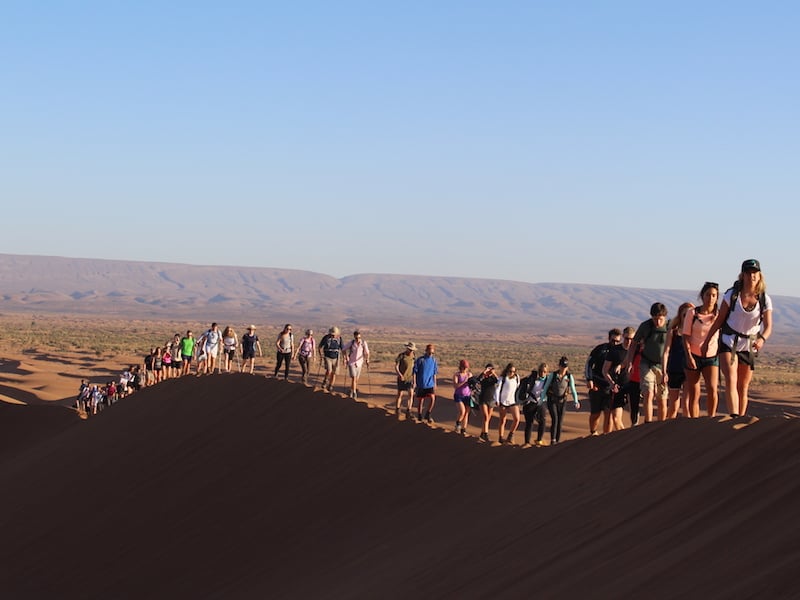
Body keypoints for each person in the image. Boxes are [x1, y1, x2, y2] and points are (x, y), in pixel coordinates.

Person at [702, 259, 773, 417]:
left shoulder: (764, 299)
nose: (751, 276)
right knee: (731, 379)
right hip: (729, 341)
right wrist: (707, 341)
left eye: (754, 273)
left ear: (759, 275)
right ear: (742, 275)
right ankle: (734, 416)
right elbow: (719, 320)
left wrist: (762, 339)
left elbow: (768, 326)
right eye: (748, 273)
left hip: (749, 345)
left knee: (743, 386)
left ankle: (741, 419)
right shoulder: (732, 295)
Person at [623, 303, 669, 422]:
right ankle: (648, 423)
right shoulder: (645, 326)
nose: (657, 322)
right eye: (655, 319)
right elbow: (633, 344)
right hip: (646, 363)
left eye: (660, 319)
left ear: (665, 316)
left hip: (662, 365)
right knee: (648, 392)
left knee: (661, 397)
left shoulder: (670, 327)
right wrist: (629, 362)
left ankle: (660, 424)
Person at [682, 282, 720, 417]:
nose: (710, 298)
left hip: (711, 356)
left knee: (712, 389)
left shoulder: (719, 315)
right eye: (708, 294)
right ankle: (694, 420)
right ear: (702, 296)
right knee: (694, 391)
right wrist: (689, 357)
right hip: (693, 355)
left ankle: (711, 417)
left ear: (717, 297)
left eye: (714, 295)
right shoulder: (692, 313)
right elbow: (685, 336)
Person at [585, 329, 621, 435]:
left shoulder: (620, 351)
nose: (615, 343)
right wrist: (589, 379)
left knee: (608, 413)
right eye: (613, 340)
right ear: (609, 338)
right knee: (595, 413)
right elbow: (589, 364)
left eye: (617, 341)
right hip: (597, 385)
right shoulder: (600, 349)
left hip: (610, 387)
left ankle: (606, 436)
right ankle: (593, 432)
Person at [662, 302, 694, 419]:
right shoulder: (673, 331)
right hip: (674, 369)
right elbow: (666, 352)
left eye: (690, 314)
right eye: (684, 314)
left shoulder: (694, 331)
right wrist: (664, 371)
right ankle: (668, 430)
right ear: (680, 315)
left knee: (687, 404)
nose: (687, 317)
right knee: (674, 406)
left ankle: (687, 433)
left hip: (688, 369)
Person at [541, 356, 580, 445]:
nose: (563, 368)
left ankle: (557, 441)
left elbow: (573, 390)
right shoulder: (553, 375)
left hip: (563, 401)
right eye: (562, 366)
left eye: (565, 366)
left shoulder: (569, 376)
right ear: (559, 366)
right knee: (555, 419)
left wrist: (576, 401)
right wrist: (542, 399)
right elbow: (546, 387)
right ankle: (553, 440)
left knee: (560, 421)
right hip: (552, 400)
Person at [602, 332, 631, 432]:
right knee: (615, 418)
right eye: (627, 338)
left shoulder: (637, 350)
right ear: (623, 337)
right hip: (618, 387)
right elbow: (605, 370)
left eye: (632, 339)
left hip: (633, 387)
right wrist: (612, 383)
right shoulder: (615, 351)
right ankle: (625, 438)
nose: (629, 341)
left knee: (634, 418)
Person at [520, 363, 548, 447]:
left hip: (541, 402)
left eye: (544, 371)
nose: (542, 373)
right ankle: (527, 442)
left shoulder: (548, 380)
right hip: (530, 402)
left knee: (542, 421)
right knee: (529, 422)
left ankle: (539, 440)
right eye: (541, 371)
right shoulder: (532, 379)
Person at [620, 327, 643, 426]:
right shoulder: (634, 349)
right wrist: (619, 366)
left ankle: (649, 423)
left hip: (645, 380)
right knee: (634, 404)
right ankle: (635, 424)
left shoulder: (649, 350)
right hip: (634, 380)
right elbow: (626, 361)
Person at [495, 363, 521, 445]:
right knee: (503, 420)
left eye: (513, 371)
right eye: (510, 371)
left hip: (513, 401)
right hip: (503, 402)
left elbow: (518, 388)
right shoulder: (502, 379)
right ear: (507, 370)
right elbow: (497, 390)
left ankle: (511, 435)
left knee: (517, 419)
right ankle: (501, 437)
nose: (512, 373)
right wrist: (497, 400)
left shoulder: (517, 378)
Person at [413, 344, 438, 423]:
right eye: (430, 352)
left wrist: (435, 383)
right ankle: (419, 415)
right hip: (421, 383)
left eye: (432, 353)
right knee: (421, 400)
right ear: (426, 351)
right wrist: (414, 382)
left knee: (432, 398)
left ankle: (428, 413)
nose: (431, 354)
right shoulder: (420, 360)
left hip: (430, 384)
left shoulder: (434, 361)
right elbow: (414, 372)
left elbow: (434, 373)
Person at [342, 330, 370, 399]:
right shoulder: (351, 343)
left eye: (359, 337)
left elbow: (367, 352)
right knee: (354, 378)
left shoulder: (363, 343)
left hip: (359, 363)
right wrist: (346, 357)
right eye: (357, 338)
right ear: (354, 337)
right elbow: (343, 349)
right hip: (351, 362)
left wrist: (367, 359)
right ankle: (354, 393)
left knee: (356, 379)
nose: (358, 339)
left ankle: (351, 390)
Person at [476, 364, 498, 443]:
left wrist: (494, 373)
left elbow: (498, 381)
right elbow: (478, 380)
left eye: (491, 369)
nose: (490, 370)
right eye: (489, 369)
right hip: (483, 399)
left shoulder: (493, 378)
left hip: (491, 400)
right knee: (485, 417)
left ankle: (483, 433)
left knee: (488, 418)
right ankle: (486, 434)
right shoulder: (483, 377)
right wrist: (484, 372)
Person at [395, 342, 416, 417]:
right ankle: (397, 409)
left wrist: (414, 380)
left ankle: (408, 411)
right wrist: (399, 374)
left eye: (412, 350)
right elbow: (396, 366)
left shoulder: (414, 357)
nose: (411, 351)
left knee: (411, 394)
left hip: (410, 378)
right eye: (410, 349)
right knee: (400, 394)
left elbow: (414, 369)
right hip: (402, 378)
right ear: (407, 348)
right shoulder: (401, 356)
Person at [318, 326, 343, 392]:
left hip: (336, 357)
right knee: (329, 370)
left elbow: (342, 348)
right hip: (327, 356)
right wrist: (321, 355)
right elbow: (320, 347)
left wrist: (345, 357)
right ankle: (325, 381)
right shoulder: (326, 338)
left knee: (334, 372)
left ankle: (331, 385)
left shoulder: (339, 339)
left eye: (334, 334)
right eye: (332, 334)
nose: (333, 336)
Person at [452, 359, 472, 434]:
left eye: (467, 367)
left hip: (468, 395)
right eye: (465, 367)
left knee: (466, 413)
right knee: (462, 411)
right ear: (461, 367)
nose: (466, 369)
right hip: (458, 396)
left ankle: (464, 429)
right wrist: (464, 381)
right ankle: (458, 423)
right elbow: (455, 385)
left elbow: (472, 384)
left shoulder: (469, 374)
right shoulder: (456, 375)